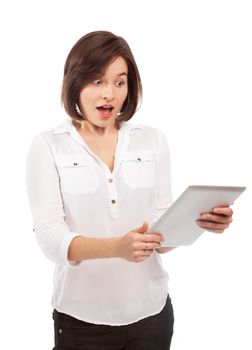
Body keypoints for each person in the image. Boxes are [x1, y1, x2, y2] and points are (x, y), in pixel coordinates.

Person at [26, 31, 233, 350]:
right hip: (82, 321)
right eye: (97, 81)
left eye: (119, 82)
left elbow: (158, 230)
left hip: (152, 314)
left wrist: (198, 222)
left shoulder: (153, 140)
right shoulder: (48, 145)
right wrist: (116, 247)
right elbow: (51, 238)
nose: (109, 93)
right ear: (75, 82)